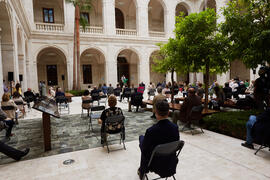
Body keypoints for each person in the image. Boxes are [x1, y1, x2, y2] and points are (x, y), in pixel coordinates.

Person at [138, 99, 179, 179]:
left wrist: (141, 139)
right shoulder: (175, 127)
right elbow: (176, 145)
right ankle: (142, 170)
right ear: (168, 112)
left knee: (142, 143)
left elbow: (145, 150)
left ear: (155, 112)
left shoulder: (151, 131)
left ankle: (142, 170)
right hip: (170, 162)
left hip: (155, 163)